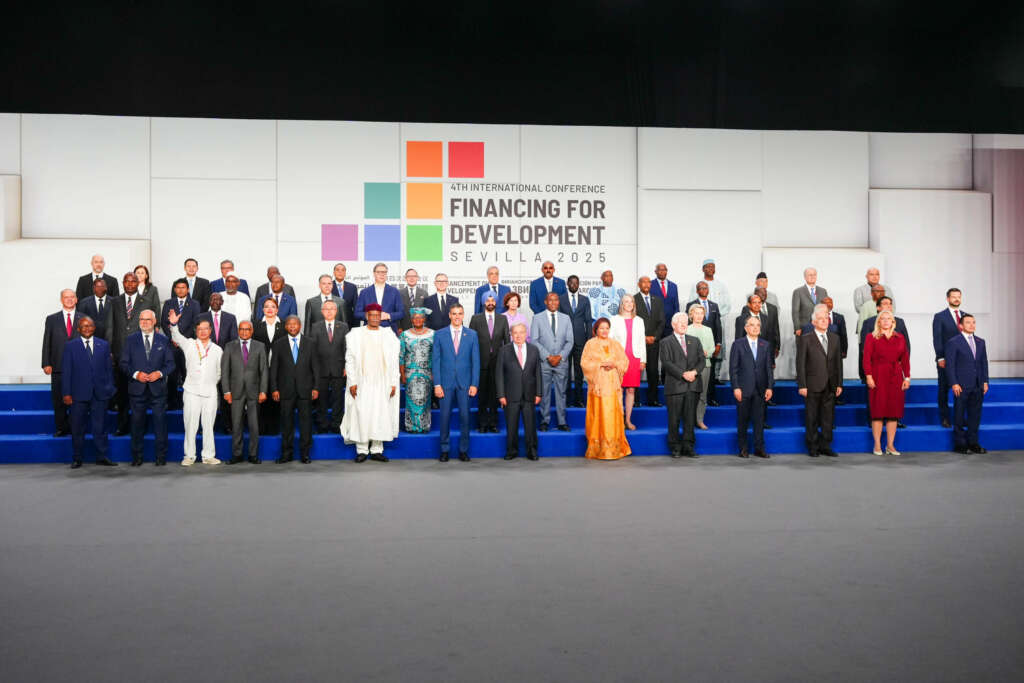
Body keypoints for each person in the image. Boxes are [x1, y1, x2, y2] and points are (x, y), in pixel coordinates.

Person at [341, 304, 401, 461]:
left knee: (380, 413)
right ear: (366, 316)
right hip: (362, 381)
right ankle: (361, 450)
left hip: (382, 382)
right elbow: (350, 359)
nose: (375, 318)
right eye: (372, 315)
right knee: (361, 413)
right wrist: (353, 381)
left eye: (377, 315)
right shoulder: (356, 334)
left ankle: (376, 449)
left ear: (381, 316)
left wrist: (394, 382)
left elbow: (394, 361)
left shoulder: (388, 334)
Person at [120, 310, 176, 466]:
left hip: (158, 390)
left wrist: (159, 373)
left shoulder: (163, 340)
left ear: (154, 321)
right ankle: (136, 457)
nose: (144, 322)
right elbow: (124, 363)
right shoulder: (130, 340)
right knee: (136, 425)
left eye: (148, 319)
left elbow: (171, 364)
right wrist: (136, 374)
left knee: (160, 425)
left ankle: (161, 457)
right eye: (142, 319)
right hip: (137, 389)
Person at [168, 310, 223, 466]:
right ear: (196, 331)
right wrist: (173, 324)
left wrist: (210, 382)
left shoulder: (218, 350)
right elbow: (176, 337)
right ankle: (189, 456)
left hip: (210, 392)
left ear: (210, 330)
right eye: (200, 329)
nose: (203, 332)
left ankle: (208, 456)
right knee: (190, 425)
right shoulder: (190, 344)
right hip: (191, 391)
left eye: (206, 329)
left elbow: (219, 372)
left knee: (208, 425)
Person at [61, 317, 117, 468]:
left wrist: (110, 388)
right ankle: (77, 458)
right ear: (78, 329)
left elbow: (108, 370)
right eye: (83, 326)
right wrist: (66, 393)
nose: (87, 328)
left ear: (94, 328)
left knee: (101, 427)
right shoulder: (70, 346)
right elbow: (66, 371)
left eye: (90, 325)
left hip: (100, 394)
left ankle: (102, 456)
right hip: (78, 394)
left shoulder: (103, 345)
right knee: (77, 427)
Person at [432, 304, 480, 461]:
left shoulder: (472, 335)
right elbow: (436, 361)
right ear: (450, 316)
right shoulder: (439, 334)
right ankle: (444, 449)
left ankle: (463, 450)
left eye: (460, 313)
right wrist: (437, 384)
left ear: (463, 315)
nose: (457, 316)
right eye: (454, 313)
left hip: (465, 384)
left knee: (465, 417)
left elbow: (476, 361)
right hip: (445, 384)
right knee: (444, 417)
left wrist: (474, 384)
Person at [270, 315, 320, 464]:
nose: (292, 327)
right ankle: (287, 454)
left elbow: (316, 368)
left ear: (300, 326)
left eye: (295, 324)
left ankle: (305, 454)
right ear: (286, 327)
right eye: (289, 325)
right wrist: (274, 388)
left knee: (306, 424)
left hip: (305, 389)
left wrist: (316, 387)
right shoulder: (278, 344)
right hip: (285, 390)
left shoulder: (310, 343)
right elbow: (274, 369)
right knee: (286, 424)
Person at [796, 304, 843, 457]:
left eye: (826, 319)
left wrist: (839, 383)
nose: (824, 321)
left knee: (828, 417)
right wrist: (802, 384)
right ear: (814, 322)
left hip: (830, 384)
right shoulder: (806, 339)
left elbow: (838, 363)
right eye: (820, 319)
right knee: (812, 417)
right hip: (812, 384)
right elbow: (800, 363)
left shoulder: (835, 338)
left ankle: (826, 445)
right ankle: (813, 446)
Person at [580, 318, 631, 460]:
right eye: (601, 328)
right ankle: (598, 448)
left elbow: (624, 361)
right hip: (598, 388)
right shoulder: (590, 344)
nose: (604, 331)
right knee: (599, 415)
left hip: (613, 386)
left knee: (612, 415)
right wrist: (601, 364)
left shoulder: (615, 344)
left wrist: (614, 364)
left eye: (607, 328)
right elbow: (584, 363)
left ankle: (615, 448)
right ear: (596, 329)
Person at [220, 320, 268, 464]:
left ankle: (253, 455)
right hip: (235, 392)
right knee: (236, 424)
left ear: (252, 331)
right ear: (238, 331)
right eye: (242, 329)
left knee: (254, 425)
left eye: (247, 329)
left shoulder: (260, 346)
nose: (244, 332)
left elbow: (264, 370)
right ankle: (237, 454)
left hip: (254, 391)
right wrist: (226, 391)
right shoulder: (229, 346)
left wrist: (263, 391)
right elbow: (225, 371)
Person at [863, 311, 910, 456]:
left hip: (895, 376)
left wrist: (906, 378)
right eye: (882, 319)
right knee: (878, 412)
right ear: (878, 322)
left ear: (893, 322)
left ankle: (890, 445)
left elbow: (905, 360)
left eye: (888, 319)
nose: (885, 321)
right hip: (878, 375)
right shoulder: (871, 337)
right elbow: (866, 359)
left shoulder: (900, 337)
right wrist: (869, 376)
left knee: (893, 413)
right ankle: (877, 445)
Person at [660, 312, 705, 458]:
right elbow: (666, 363)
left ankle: (688, 446)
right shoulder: (665, 342)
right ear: (673, 325)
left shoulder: (695, 340)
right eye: (680, 322)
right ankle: (675, 447)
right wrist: (683, 374)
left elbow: (702, 361)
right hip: (675, 386)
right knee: (674, 419)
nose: (683, 324)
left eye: (685, 322)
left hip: (693, 386)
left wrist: (694, 372)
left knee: (690, 418)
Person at [496, 322, 543, 460]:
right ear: (511, 334)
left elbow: (538, 373)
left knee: (530, 426)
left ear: (526, 334)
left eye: (521, 332)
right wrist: (501, 395)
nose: (518, 335)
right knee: (511, 426)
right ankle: (511, 451)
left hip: (529, 394)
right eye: (515, 333)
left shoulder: (534, 350)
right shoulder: (504, 350)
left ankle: (532, 451)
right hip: (510, 395)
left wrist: (538, 393)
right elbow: (499, 375)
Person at [730, 316, 773, 458]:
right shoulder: (738, 344)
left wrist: (769, 387)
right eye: (752, 325)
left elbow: (768, 368)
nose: (755, 328)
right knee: (742, 420)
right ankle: (743, 449)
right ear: (746, 328)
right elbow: (733, 369)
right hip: (743, 389)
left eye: (757, 325)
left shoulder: (765, 345)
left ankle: (759, 448)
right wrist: (736, 387)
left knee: (759, 420)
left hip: (760, 389)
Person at [945, 313, 989, 454]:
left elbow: (983, 363)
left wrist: (985, 381)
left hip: (977, 385)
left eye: (974, 322)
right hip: (961, 385)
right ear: (961, 325)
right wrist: (954, 383)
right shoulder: (954, 342)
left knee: (975, 415)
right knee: (959, 415)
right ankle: (960, 444)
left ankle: (973, 443)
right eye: (968, 322)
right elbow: (950, 365)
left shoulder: (980, 342)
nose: (972, 325)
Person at [42, 289, 82, 436]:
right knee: (58, 399)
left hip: (79, 367)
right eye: (66, 297)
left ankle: (75, 427)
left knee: (77, 399)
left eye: (72, 297)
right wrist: (46, 362)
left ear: (76, 299)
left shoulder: (84, 318)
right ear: (61, 300)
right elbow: (47, 342)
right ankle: (61, 428)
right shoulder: (52, 319)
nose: (69, 299)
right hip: (58, 366)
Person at [532, 292, 574, 432]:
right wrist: (548, 356)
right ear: (545, 301)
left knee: (561, 392)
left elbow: (570, 341)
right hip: (544, 362)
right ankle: (545, 420)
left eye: (556, 300)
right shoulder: (537, 318)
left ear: (558, 302)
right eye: (550, 300)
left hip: (561, 362)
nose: (553, 302)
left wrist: (560, 356)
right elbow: (534, 340)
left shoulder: (566, 318)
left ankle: (562, 421)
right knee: (544, 392)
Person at [469, 291, 510, 433]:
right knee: (482, 396)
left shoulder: (503, 319)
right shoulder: (475, 319)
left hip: (498, 363)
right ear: (483, 302)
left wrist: (506, 361)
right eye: (488, 300)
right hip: (480, 363)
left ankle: (493, 423)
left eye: (493, 300)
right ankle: (482, 423)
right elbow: (471, 342)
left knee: (494, 395)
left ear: (496, 302)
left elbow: (507, 342)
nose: (490, 303)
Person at [110, 272, 144, 435]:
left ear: (138, 283)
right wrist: (110, 350)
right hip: (119, 355)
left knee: (140, 395)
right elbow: (110, 327)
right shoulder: (114, 301)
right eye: (127, 281)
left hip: (140, 354)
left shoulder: (146, 301)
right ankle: (121, 426)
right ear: (123, 283)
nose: (130, 284)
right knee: (122, 394)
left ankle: (139, 427)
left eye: (133, 281)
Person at [309, 300, 349, 434]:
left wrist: (346, 366)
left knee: (338, 398)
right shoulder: (315, 327)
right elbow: (312, 350)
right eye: (326, 309)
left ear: (336, 311)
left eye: (332, 309)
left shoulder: (343, 326)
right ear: (322, 311)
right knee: (322, 399)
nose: (329, 311)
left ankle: (337, 424)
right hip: (320, 369)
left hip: (338, 368)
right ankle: (322, 424)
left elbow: (347, 348)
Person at [160, 278, 199, 410]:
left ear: (188, 289)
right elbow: (164, 323)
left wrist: (183, 340)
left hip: (188, 345)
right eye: (178, 287)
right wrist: (173, 338)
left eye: (183, 287)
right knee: (172, 374)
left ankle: (189, 403)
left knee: (188, 373)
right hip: (172, 345)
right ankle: (171, 402)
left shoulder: (194, 304)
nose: (181, 290)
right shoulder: (168, 303)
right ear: (175, 289)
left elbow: (196, 323)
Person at [609, 294, 645, 431]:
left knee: (631, 390)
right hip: (619, 359)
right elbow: (610, 341)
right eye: (626, 301)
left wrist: (643, 360)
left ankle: (628, 420)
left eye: (631, 301)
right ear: (621, 304)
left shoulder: (639, 320)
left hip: (635, 359)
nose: (629, 304)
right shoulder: (614, 319)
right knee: (618, 390)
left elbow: (642, 341)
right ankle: (618, 419)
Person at [686, 281, 723, 406]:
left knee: (709, 378)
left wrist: (718, 343)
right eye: (701, 288)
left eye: (706, 287)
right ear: (697, 290)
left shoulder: (714, 305)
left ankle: (710, 398)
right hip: (692, 358)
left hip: (709, 345)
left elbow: (718, 325)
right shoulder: (690, 305)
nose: (704, 289)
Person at [253, 297, 285, 435]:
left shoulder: (284, 325)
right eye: (267, 306)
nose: (270, 309)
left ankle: (274, 428)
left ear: (277, 309)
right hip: (260, 367)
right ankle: (262, 428)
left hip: (280, 368)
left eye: (273, 306)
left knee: (276, 397)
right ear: (262, 309)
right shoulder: (256, 326)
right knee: (262, 397)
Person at [933, 287, 965, 428]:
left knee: (963, 390)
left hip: (963, 361)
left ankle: (960, 418)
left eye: (959, 296)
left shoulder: (966, 316)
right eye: (954, 297)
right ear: (948, 299)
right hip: (946, 360)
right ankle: (945, 417)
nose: (956, 299)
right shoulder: (940, 316)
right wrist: (940, 357)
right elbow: (937, 338)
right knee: (944, 389)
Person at [559, 275, 592, 407]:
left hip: (580, 340)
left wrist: (589, 339)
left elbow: (588, 321)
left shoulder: (585, 300)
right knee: (565, 371)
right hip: (564, 340)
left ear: (579, 284)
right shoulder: (561, 299)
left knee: (579, 371)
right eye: (571, 283)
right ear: (567, 284)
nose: (574, 285)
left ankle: (578, 400)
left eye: (576, 283)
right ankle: (566, 400)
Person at [399, 308, 435, 433]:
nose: (418, 320)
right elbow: (401, 356)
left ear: (424, 319)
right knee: (411, 400)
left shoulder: (432, 334)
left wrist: (434, 374)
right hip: (410, 373)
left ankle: (424, 426)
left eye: (420, 317)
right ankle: (411, 426)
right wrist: (402, 374)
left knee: (425, 400)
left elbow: (436, 356)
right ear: (411, 319)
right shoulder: (404, 335)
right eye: (415, 317)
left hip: (427, 373)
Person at [635, 276, 666, 407]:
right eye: (643, 282)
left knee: (653, 371)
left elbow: (662, 321)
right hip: (638, 341)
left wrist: (655, 337)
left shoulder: (658, 300)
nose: (646, 284)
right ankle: (636, 400)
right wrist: (643, 337)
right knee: (637, 371)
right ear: (639, 284)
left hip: (654, 341)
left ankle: (652, 399)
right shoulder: (633, 300)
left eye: (648, 282)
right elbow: (632, 321)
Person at [685, 303, 715, 430]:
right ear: (691, 315)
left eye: (701, 313)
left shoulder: (708, 330)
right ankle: (689, 420)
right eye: (696, 313)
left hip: (705, 366)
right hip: (690, 367)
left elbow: (712, 347)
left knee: (702, 394)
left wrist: (706, 353)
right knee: (690, 394)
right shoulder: (687, 329)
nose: (699, 316)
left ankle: (700, 419)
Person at [355, 263, 404, 333]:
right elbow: (357, 313)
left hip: (389, 331)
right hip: (369, 332)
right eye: (379, 272)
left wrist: (388, 315)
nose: (382, 274)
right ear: (374, 274)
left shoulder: (394, 291)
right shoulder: (364, 292)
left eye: (384, 272)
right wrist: (369, 316)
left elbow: (401, 313)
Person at [76, 277, 114, 342]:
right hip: (89, 339)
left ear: (106, 288)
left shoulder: (114, 302)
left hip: (110, 339)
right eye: (97, 286)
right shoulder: (84, 303)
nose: (100, 289)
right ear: (93, 288)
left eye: (102, 286)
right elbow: (80, 322)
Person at [792, 267, 828, 335]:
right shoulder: (798, 292)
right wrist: (797, 328)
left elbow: (826, 310)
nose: (812, 277)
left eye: (814, 275)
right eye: (810, 275)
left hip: (820, 327)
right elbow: (795, 312)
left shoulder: (823, 291)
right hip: (804, 328)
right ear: (805, 277)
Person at [650, 263, 680, 338]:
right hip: (655, 325)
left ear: (667, 271)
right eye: (660, 270)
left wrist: (676, 323)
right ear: (655, 271)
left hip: (670, 325)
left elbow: (676, 305)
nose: (662, 272)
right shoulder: (650, 285)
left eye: (664, 270)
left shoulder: (673, 286)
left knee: (669, 348)